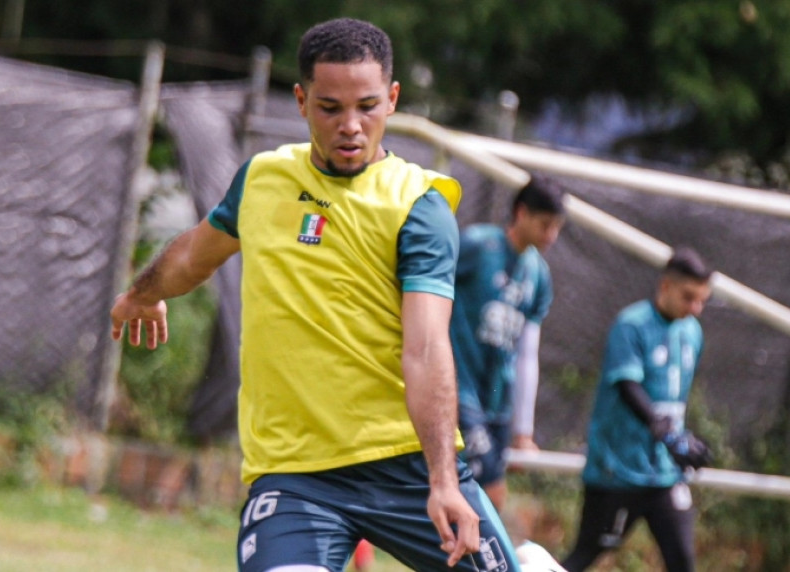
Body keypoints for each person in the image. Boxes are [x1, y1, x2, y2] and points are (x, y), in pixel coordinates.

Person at [110, 17, 538, 572]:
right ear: (301, 101)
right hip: (296, 476)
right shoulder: (263, 180)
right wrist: (143, 293)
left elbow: (427, 348)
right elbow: (196, 253)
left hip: (406, 465)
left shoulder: (419, 206)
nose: (351, 126)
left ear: (393, 99)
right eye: (330, 108)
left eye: (367, 106)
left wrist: (442, 481)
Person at [561, 247, 715, 572]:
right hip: (616, 471)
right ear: (666, 286)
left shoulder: (692, 332)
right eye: (689, 297)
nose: (696, 308)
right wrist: (670, 436)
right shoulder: (631, 324)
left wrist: (680, 439)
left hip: (664, 474)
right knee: (583, 557)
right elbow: (628, 387)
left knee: (683, 560)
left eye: (702, 299)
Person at [450, 180, 566, 511]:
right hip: (460, 392)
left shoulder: (539, 275)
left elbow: (527, 354)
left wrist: (522, 431)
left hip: (497, 404)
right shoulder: (476, 245)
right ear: (521, 212)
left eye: (557, 227)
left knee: (478, 503)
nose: (551, 236)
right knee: (490, 496)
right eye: (545, 224)